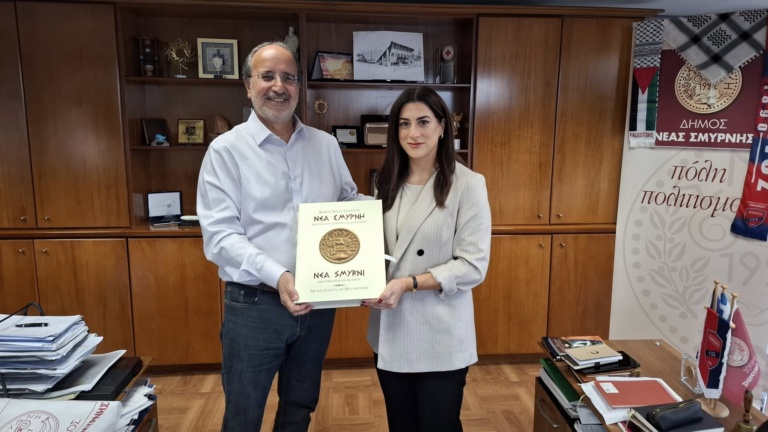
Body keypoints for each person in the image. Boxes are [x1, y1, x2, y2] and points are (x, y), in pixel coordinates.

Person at [197, 41, 363, 431]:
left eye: (288, 78)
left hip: (318, 302)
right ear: (248, 85)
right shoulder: (225, 151)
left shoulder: (326, 145)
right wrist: (278, 275)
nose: (278, 86)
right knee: (244, 414)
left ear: (299, 87)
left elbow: (349, 204)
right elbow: (220, 236)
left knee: (299, 408)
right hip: (254, 305)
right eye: (267, 76)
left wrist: (393, 210)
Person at [363, 86, 492, 432]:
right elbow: (380, 249)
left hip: (440, 332)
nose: (413, 133)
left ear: (442, 127)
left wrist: (409, 283)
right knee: (401, 424)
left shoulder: (468, 184)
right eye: (404, 124)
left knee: (439, 425)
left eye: (423, 122)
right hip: (391, 328)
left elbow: (473, 266)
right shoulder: (386, 180)